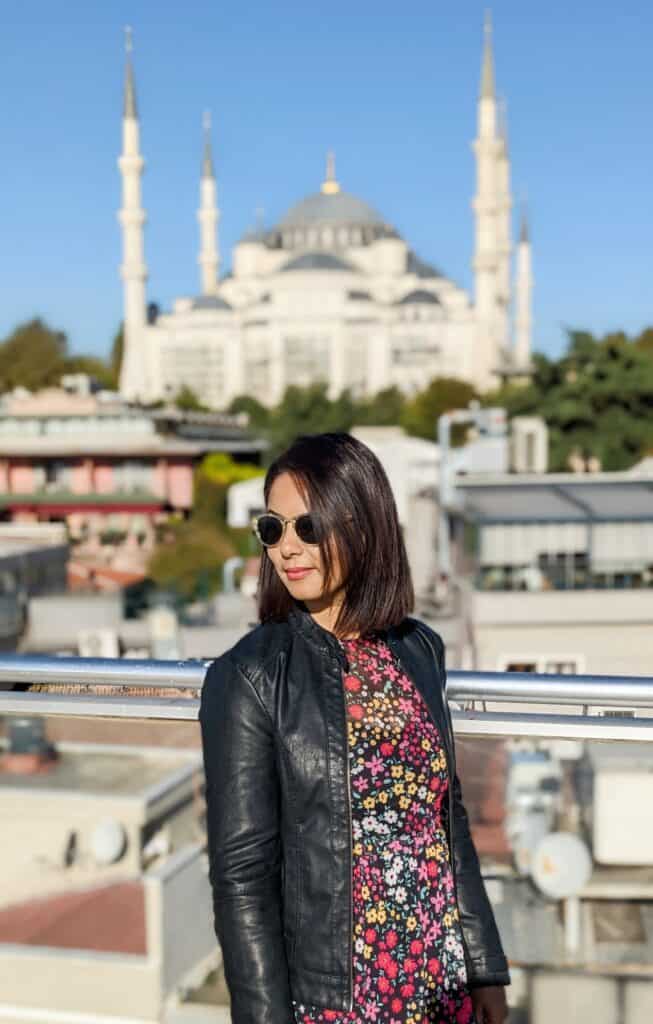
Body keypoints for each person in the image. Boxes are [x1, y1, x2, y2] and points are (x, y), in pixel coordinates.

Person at [199, 433, 510, 1024]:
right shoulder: (252, 676)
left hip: (439, 982)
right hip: (339, 1000)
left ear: (362, 526)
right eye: (273, 529)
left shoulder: (419, 649)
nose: (288, 548)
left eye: (308, 527)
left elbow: (448, 821)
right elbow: (242, 877)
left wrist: (484, 967)